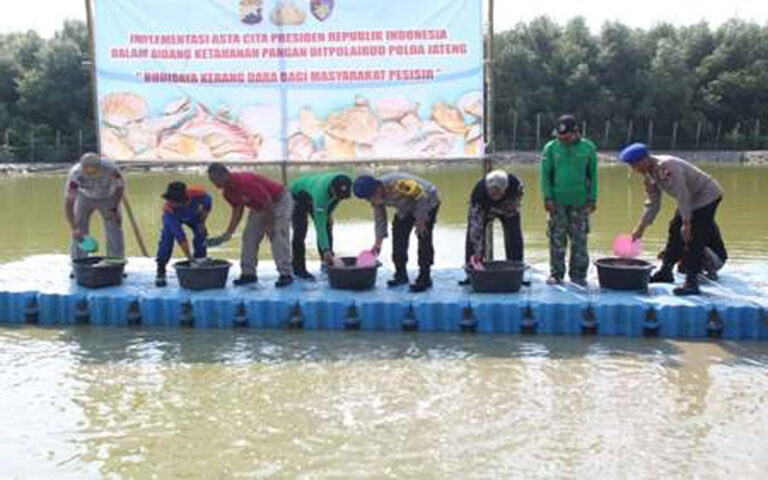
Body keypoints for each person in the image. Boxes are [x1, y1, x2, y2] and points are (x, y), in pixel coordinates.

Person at [621, 143, 727, 295]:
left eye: (635, 165)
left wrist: (686, 222)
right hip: (690, 199)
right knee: (674, 228)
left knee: (693, 235)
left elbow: (682, 193)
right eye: (631, 166)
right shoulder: (648, 175)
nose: (634, 169)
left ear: (645, 159)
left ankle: (691, 282)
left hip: (706, 195)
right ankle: (666, 272)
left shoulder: (668, 166)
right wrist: (640, 228)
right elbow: (653, 203)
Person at [206, 163, 294, 288]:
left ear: (225, 174)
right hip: (259, 206)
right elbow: (237, 209)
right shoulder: (227, 192)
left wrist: (270, 225)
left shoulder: (245, 182)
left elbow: (268, 202)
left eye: (216, 179)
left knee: (277, 236)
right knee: (249, 237)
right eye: (212, 180)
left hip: (279, 201)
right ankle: (248, 274)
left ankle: (285, 274)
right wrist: (229, 232)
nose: (215, 184)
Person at [353, 172, 440, 292]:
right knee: (398, 234)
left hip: (427, 200)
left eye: (371, 196)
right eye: (367, 199)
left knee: (423, 236)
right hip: (405, 206)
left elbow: (421, 196)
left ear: (378, 188)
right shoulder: (374, 197)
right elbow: (380, 219)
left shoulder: (399, 184)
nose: (371, 200)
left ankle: (425, 277)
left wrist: (421, 220)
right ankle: (401, 275)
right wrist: (378, 243)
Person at [540, 115, 598, 286]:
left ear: (576, 132)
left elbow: (593, 176)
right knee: (556, 239)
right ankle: (556, 274)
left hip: (580, 202)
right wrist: (547, 197)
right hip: (556, 202)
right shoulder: (551, 148)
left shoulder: (588, 148)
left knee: (579, 239)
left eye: (566, 137)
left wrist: (592, 198)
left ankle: (578, 275)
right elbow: (545, 175)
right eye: (559, 137)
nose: (562, 140)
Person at [459, 170, 525, 285]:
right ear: (488, 189)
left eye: (498, 194)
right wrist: (478, 252)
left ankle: (516, 271)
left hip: (507, 205)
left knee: (514, 236)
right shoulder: (479, 192)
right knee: (473, 237)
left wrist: (510, 207)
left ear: (505, 189)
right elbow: (476, 229)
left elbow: (518, 198)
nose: (495, 197)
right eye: (492, 194)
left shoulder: (515, 184)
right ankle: (472, 274)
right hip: (485, 208)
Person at [289, 172, 352, 280]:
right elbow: (319, 225)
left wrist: (329, 214)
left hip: (314, 192)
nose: (340, 198)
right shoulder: (320, 195)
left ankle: (326, 262)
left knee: (328, 225)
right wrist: (326, 249)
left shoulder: (344, 182)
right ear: (332, 189)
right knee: (300, 230)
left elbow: (335, 201)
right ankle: (298, 269)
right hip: (297, 195)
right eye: (338, 195)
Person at [65, 152, 125, 261]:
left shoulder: (111, 169)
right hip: (85, 197)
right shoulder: (75, 174)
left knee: (114, 224)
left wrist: (115, 208)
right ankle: (78, 260)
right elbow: (69, 202)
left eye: (93, 172)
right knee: (79, 227)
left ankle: (115, 259)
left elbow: (120, 188)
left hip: (108, 197)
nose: (91, 176)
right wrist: (74, 228)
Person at [155, 182, 212, 287]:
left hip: (194, 215)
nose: (169, 202)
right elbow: (180, 237)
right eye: (169, 200)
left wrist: (202, 221)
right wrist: (190, 259)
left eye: (173, 201)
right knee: (166, 240)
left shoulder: (198, 194)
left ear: (183, 201)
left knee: (201, 233)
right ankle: (161, 270)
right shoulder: (169, 210)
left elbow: (208, 203)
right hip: (174, 218)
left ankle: (200, 260)